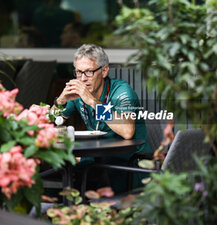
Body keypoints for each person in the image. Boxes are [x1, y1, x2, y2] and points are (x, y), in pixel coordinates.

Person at [54, 44, 151, 193]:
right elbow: (50, 122)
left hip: (131, 164)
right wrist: (60, 101)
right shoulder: (78, 93)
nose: (83, 79)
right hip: (99, 161)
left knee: (80, 182)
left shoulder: (121, 91)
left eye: (89, 72)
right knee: (61, 178)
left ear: (104, 70)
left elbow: (127, 131)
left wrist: (92, 101)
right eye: (79, 73)